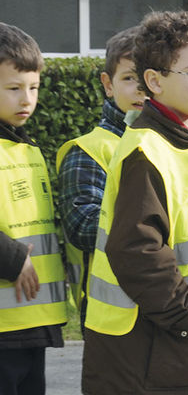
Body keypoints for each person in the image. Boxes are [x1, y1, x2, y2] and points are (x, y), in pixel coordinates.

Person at [81, 10, 188, 395]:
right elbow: (135, 250)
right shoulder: (148, 151)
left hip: (174, 340)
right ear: (153, 81)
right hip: (153, 344)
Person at [56, 26, 145, 330]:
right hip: (111, 314)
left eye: (149, 77)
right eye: (130, 78)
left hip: (176, 304)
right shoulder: (88, 151)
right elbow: (83, 227)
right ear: (108, 84)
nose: (141, 89)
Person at [0, 22, 67, 395]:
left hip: (30, 319)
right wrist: (13, 258)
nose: (27, 99)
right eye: (13, 89)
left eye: (33, 88)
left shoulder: (26, 148)